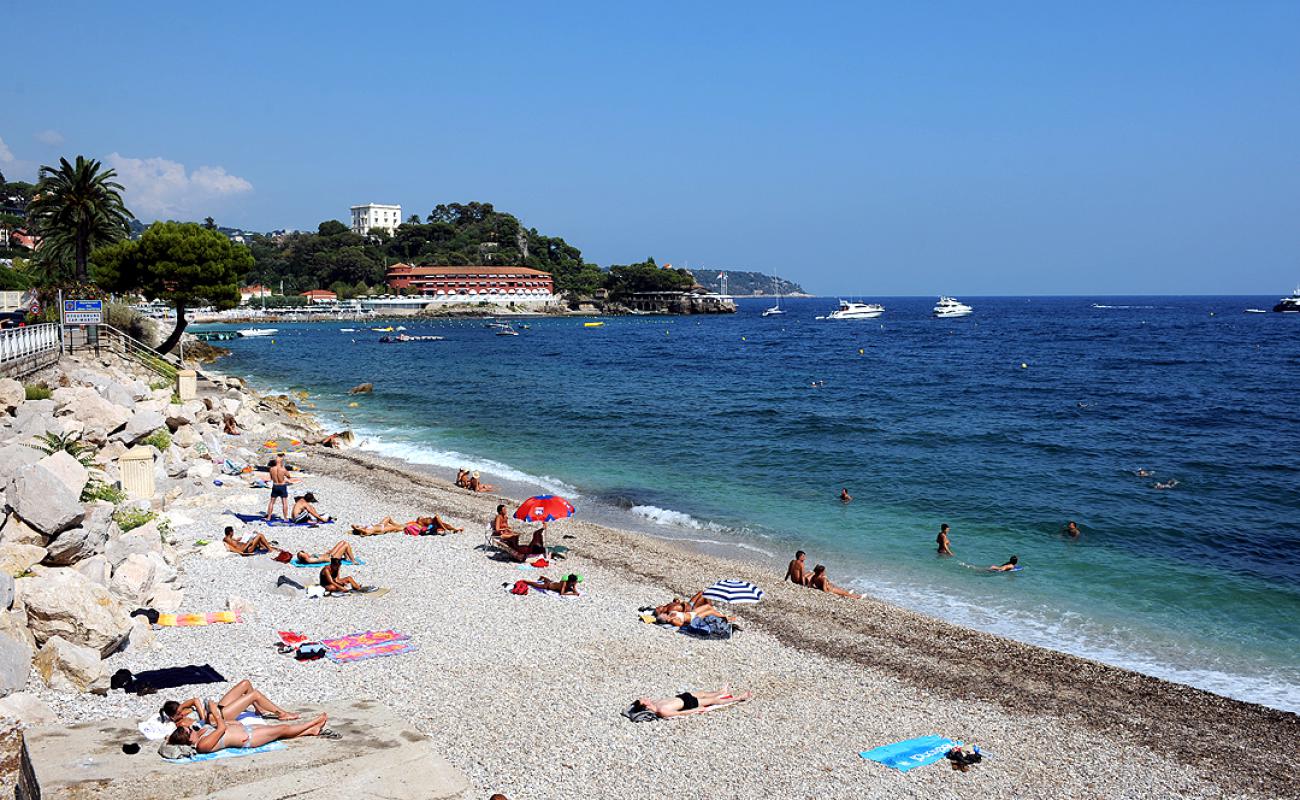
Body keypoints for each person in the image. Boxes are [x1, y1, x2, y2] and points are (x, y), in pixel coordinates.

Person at [167, 702, 328, 754]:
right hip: (249, 739)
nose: (192, 730)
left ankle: (310, 731)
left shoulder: (199, 735)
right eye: (190, 732)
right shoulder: (202, 745)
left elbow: (218, 727)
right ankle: (313, 723)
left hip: (247, 731)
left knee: (281, 733)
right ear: (188, 739)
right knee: (283, 728)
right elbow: (221, 728)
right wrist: (215, 712)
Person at [162, 679, 300, 726]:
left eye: (180, 710)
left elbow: (194, 700)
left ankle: (258, 709)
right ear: (173, 717)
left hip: (218, 709)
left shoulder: (182, 712)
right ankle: (282, 713)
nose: (181, 712)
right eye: (178, 713)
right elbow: (204, 722)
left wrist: (184, 707)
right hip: (217, 716)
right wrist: (200, 708)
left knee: (245, 683)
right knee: (255, 694)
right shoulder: (181, 723)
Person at [629, 689, 752, 719]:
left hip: (681, 697)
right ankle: (739, 698)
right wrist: (696, 710)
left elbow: (632, 708)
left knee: (703, 693)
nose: (646, 698)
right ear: (646, 706)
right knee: (713, 701)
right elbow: (680, 712)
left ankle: (720, 691)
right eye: (644, 700)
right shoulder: (661, 711)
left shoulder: (655, 703)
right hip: (688, 703)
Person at [264, 455, 291, 521]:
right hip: (282, 486)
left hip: (275, 485)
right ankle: (285, 518)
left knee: (272, 502)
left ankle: (269, 517)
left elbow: (271, 478)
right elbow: (289, 476)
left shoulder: (271, 469)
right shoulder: (283, 469)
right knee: (284, 502)